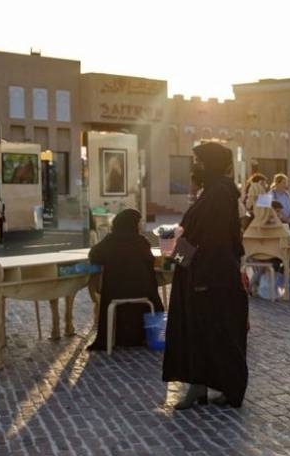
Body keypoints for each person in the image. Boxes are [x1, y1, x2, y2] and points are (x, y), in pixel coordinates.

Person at [163, 142, 248, 409]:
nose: (194, 165)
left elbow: (212, 240)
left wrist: (179, 256)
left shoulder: (220, 194)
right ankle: (201, 386)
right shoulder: (213, 192)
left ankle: (226, 388)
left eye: (198, 161)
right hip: (202, 274)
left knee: (216, 333)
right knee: (201, 333)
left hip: (209, 278)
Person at [86, 209, 164, 351]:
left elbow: (94, 255)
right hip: (143, 292)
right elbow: (150, 261)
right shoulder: (141, 242)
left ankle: (117, 337)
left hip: (115, 293)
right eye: (139, 222)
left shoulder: (109, 241)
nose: (140, 225)